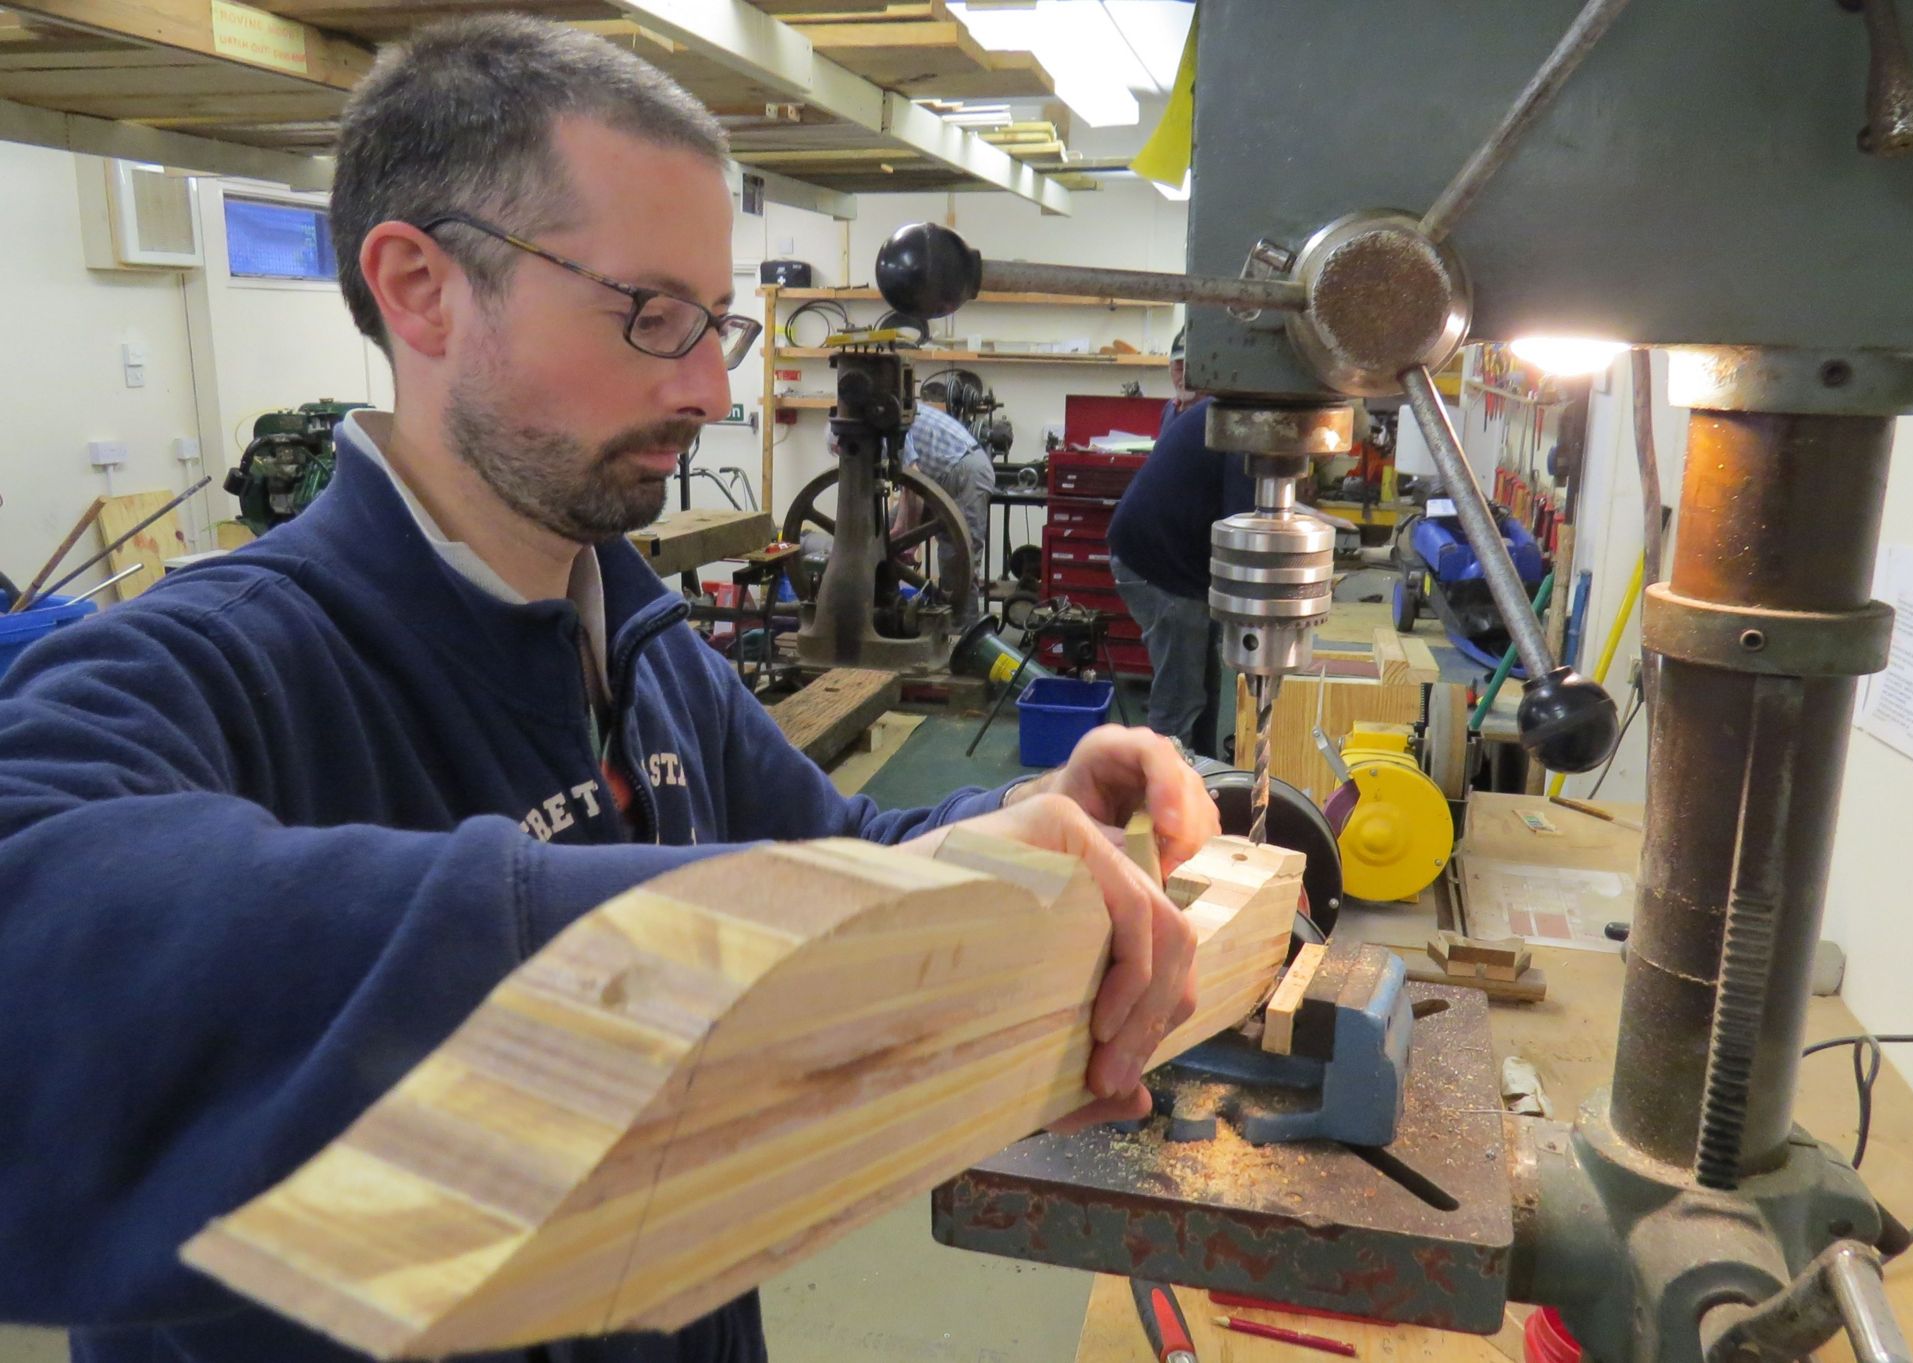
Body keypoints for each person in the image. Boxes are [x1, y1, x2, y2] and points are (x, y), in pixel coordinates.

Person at [0, 17, 1215, 1363]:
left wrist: (1031, 818)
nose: (706, 386)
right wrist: (674, 936)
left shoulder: (640, 639)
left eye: (719, 325)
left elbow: (837, 846)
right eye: (652, 316)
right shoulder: (210, 666)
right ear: (421, 289)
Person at [1108, 396, 1248, 758]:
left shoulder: (1237, 412)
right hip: (1160, 566)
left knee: (1203, 688)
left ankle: (1204, 780)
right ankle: (1162, 801)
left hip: (1180, 563)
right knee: (1179, 700)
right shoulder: (1244, 427)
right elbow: (1243, 526)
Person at [891, 377, 996, 615]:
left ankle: (964, 640)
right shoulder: (892, 415)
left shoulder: (888, 424)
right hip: (941, 478)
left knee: (958, 561)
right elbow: (912, 487)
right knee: (882, 530)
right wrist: (900, 531)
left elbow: (913, 485)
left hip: (965, 475)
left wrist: (908, 538)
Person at [1159, 328, 1200, 437]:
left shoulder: (1212, 415)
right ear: (1170, 370)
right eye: (1179, 369)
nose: (1185, 377)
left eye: (1192, 369)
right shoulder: (1169, 408)